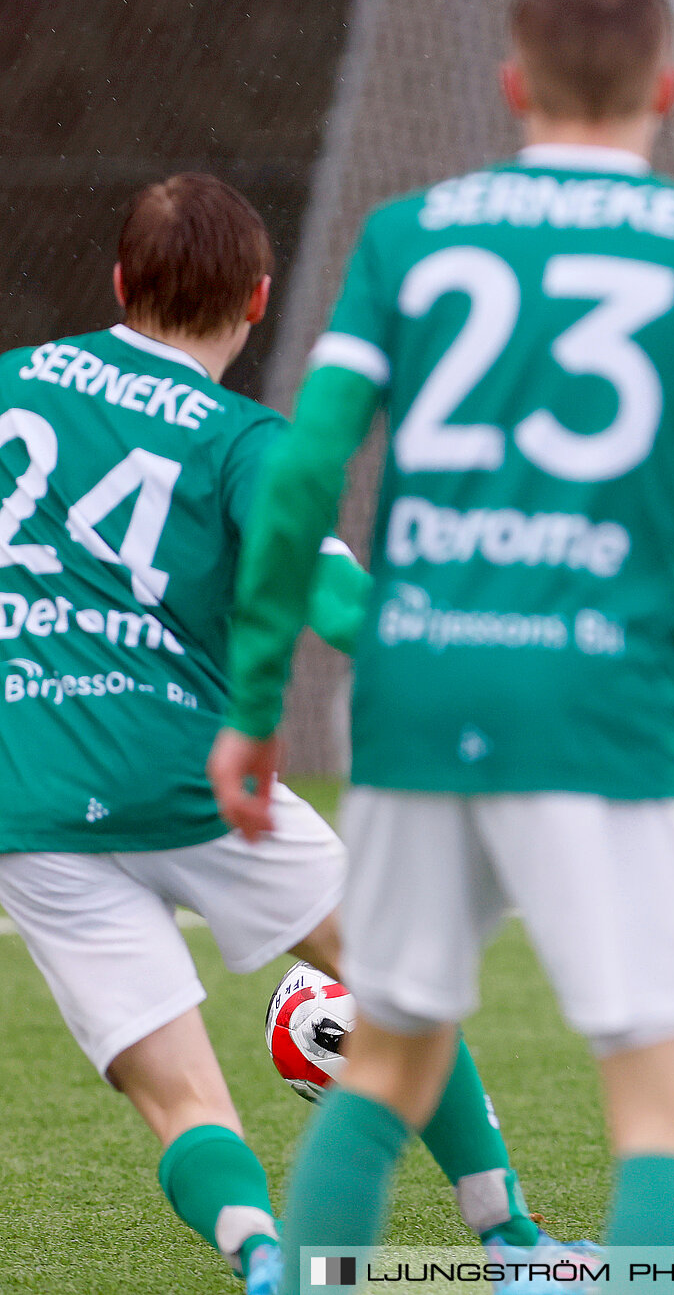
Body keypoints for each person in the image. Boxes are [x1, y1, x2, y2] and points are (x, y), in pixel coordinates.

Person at [204, 0, 674, 1290]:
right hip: (596, 708)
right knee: (667, 1108)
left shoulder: (411, 233)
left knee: (390, 1065)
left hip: (412, 695)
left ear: (514, 86)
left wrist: (252, 708)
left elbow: (302, 477)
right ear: (666, 90)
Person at [0, 174, 567, 1295]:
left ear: (119, 283)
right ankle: (514, 1248)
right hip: (194, 772)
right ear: (258, 302)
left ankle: (266, 1257)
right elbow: (348, 609)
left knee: (179, 1097)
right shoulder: (245, 441)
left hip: (29, 796)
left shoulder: (13, 383)